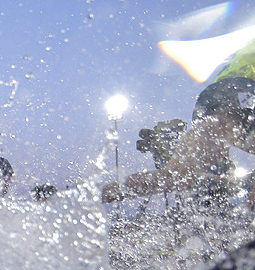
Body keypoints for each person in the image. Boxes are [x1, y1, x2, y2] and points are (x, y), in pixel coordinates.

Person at [101, 75, 255, 204]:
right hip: (241, 95)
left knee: (176, 176)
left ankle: (99, 195)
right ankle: (103, 194)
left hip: (216, 99)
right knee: (178, 176)